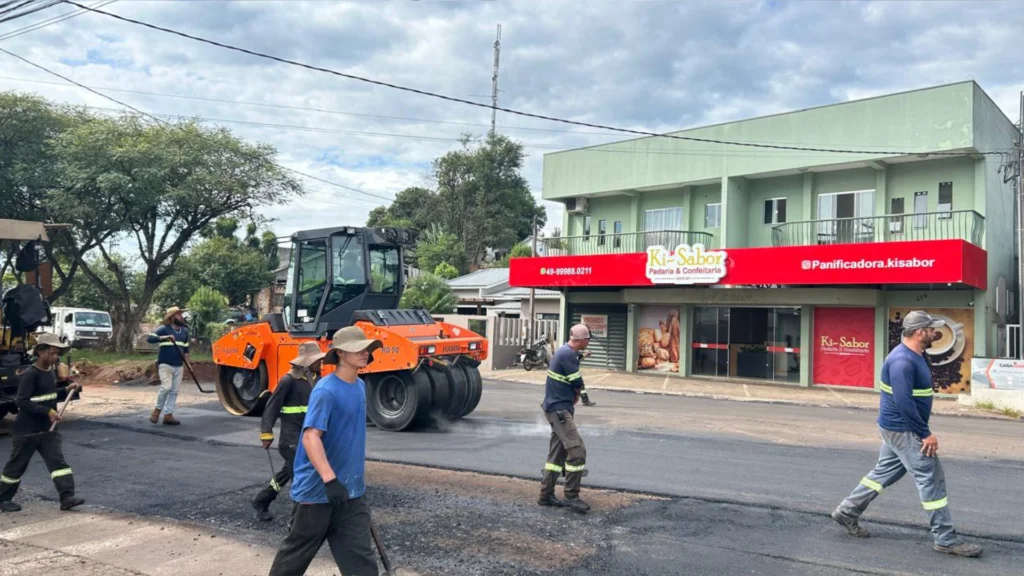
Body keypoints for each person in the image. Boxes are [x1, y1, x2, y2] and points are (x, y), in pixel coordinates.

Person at [831, 310, 982, 558]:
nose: (936, 332)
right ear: (920, 332)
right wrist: (924, 433)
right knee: (931, 478)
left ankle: (848, 511)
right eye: (932, 328)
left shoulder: (916, 354)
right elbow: (903, 402)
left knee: (885, 471)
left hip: (896, 428)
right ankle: (945, 538)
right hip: (904, 429)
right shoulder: (902, 361)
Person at [268, 326, 381, 576]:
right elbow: (310, 438)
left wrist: (348, 483)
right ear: (340, 353)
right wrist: (330, 480)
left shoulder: (360, 387)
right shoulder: (326, 391)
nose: (366, 353)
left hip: (351, 493)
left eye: (367, 349)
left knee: (361, 562)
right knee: (293, 559)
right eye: (358, 349)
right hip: (318, 492)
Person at [0, 333, 85, 513]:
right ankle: (3, 498)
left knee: (58, 464)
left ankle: (67, 497)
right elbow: (22, 401)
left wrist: (65, 390)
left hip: (47, 429)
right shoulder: (30, 374)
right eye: (53, 353)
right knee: (16, 466)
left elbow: (49, 395)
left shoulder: (48, 373)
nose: (56, 357)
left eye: (57, 354)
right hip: (27, 431)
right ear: (41, 352)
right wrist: (47, 411)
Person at [251, 341, 325, 522]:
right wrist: (266, 433)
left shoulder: (315, 380)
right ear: (306, 362)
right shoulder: (288, 380)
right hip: (291, 440)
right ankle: (297, 523)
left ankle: (262, 500)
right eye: (317, 360)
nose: (321, 363)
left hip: (307, 437)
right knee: (300, 479)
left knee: (287, 473)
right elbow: (271, 407)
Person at [538, 323, 592, 513]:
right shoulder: (567, 354)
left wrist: (581, 356)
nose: (588, 343)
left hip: (556, 408)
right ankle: (571, 495)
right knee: (577, 450)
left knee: (556, 455)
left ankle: (546, 495)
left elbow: (574, 361)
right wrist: (578, 394)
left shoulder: (565, 351)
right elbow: (576, 380)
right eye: (587, 340)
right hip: (560, 411)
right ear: (581, 340)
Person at [147, 306, 191, 426]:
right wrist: (164, 337)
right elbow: (149, 339)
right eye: (179, 315)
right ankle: (157, 410)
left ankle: (168, 415)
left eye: (181, 315)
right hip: (165, 364)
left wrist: (188, 364)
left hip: (179, 365)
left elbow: (186, 350)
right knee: (166, 387)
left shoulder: (184, 332)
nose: (182, 317)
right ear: (172, 317)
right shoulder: (163, 329)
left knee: (174, 391)